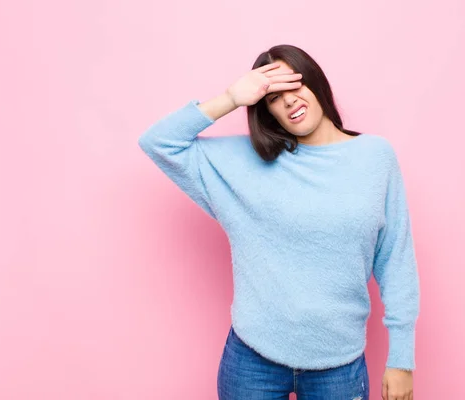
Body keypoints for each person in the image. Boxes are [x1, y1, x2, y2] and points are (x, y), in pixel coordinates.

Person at [138, 44, 420, 400]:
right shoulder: (246, 161)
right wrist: (231, 97)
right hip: (252, 361)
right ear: (266, 111)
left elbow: (396, 260)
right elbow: (158, 142)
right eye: (273, 96)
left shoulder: (375, 158)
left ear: (315, 82)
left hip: (339, 365)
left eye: (294, 85)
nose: (287, 101)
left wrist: (401, 359)